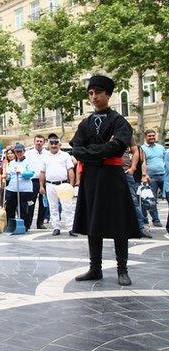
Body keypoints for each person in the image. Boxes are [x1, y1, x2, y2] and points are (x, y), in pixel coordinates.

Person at [70, 75, 140, 286]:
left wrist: (89, 151)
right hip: (91, 178)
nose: (94, 97)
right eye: (91, 93)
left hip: (112, 176)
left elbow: (118, 146)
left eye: (98, 93)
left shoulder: (119, 121)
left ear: (108, 94)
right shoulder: (86, 123)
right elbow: (75, 149)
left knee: (118, 221)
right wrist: (99, 151)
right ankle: (95, 268)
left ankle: (122, 269)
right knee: (93, 222)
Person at [39, 134, 76, 237]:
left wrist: (71, 185)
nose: (54, 145)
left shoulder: (65, 155)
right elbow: (42, 172)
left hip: (63, 184)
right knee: (53, 207)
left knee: (67, 206)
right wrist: (41, 186)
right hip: (50, 185)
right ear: (49, 144)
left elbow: (70, 170)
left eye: (56, 143)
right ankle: (56, 227)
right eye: (52, 143)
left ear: (59, 144)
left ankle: (71, 228)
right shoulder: (45, 157)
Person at [122, 137, 152, 238]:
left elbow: (137, 152)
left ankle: (140, 228)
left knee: (134, 201)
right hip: (111, 172)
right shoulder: (105, 130)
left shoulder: (126, 133)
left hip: (126, 173)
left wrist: (133, 168)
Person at [5, 143, 34, 231]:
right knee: (10, 207)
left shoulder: (28, 162)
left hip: (25, 189)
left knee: (23, 208)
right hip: (12, 188)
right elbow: (10, 175)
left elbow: (31, 174)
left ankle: (24, 225)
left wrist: (21, 171)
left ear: (24, 151)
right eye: (16, 151)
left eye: (20, 151)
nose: (18, 153)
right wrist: (7, 176)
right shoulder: (12, 163)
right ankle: (11, 225)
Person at [140, 129, 164, 228]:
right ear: (145, 137)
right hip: (150, 177)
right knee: (151, 200)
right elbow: (142, 163)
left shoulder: (161, 147)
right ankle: (156, 220)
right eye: (149, 136)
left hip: (163, 175)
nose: (152, 137)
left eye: (153, 135)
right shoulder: (142, 148)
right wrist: (144, 175)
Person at [25, 135, 48, 229]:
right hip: (32, 181)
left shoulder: (47, 153)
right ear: (34, 142)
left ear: (44, 142)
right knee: (31, 203)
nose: (39, 143)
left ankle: (40, 222)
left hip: (45, 181)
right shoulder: (28, 153)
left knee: (43, 203)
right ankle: (28, 223)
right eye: (37, 141)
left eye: (41, 141)